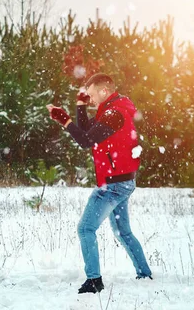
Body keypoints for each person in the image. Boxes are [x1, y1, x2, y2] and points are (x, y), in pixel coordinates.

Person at [46, 73, 152, 294]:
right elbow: (87, 130)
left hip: (113, 186)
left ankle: (94, 281)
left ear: (104, 91)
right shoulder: (114, 110)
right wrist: (80, 106)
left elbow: (85, 140)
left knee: (85, 229)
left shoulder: (114, 114)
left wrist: (64, 120)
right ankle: (144, 273)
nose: (91, 99)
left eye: (92, 95)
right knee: (124, 232)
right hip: (124, 181)